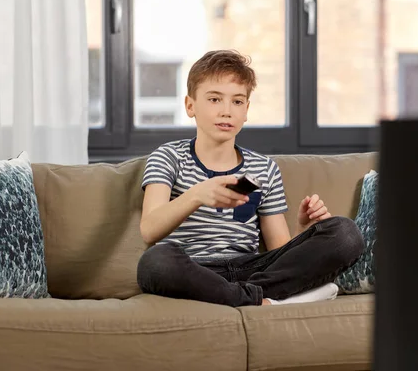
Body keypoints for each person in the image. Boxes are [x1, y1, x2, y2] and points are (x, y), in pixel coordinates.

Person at [136, 50, 364, 307]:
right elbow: (149, 230)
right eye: (214, 99)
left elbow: (280, 251)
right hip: (195, 270)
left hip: (253, 271)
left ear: (246, 110)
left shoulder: (264, 168)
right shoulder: (168, 157)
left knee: (345, 232)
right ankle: (265, 301)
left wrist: (304, 231)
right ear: (190, 106)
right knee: (155, 262)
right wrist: (197, 194)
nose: (226, 111)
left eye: (237, 102)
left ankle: (245, 297)